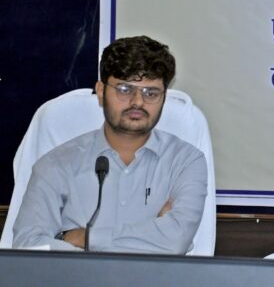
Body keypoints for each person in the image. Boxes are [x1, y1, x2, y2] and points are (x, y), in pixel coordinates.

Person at [13, 36, 207, 254]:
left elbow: (175, 241)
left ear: (163, 97)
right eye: (124, 89)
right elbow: (29, 245)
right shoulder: (56, 164)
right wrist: (152, 237)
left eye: (151, 93)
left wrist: (84, 238)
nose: (137, 102)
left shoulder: (185, 161)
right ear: (101, 91)